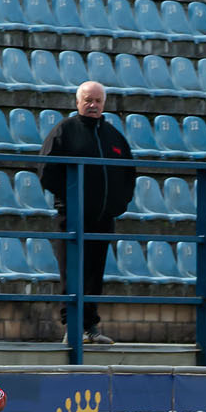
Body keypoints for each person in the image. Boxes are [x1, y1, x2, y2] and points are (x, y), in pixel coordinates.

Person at [36, 79, 135, 345]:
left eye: (97, 101)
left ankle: (91, 327)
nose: (92, 105)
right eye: (88, 100)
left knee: (94, 273)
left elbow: (129, 173)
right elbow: (46, 169)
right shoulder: (65, 130)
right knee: (72, 272)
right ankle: (72, 329)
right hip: (72, 218)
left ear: (104, 103)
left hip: (103, 219)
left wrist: (117, 205)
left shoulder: (113, 136)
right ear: (78, 102)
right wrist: (69, 200)